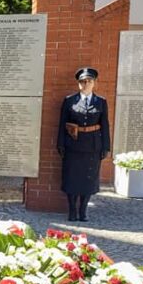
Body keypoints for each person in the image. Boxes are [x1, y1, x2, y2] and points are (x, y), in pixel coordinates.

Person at [57, 67, 110, 222]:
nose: (86, 84)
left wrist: (106, 146)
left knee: (89, 179)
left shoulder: (101, 102)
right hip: (73, 145)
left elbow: (105, 125)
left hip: (93, 146)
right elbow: (62, 124)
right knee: (71, 178)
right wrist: (61, 144)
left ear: (94, 83)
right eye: (83, 81)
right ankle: (72, 210)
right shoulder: (69, 101)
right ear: (78, 83)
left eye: (89, 81)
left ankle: (83, 210)